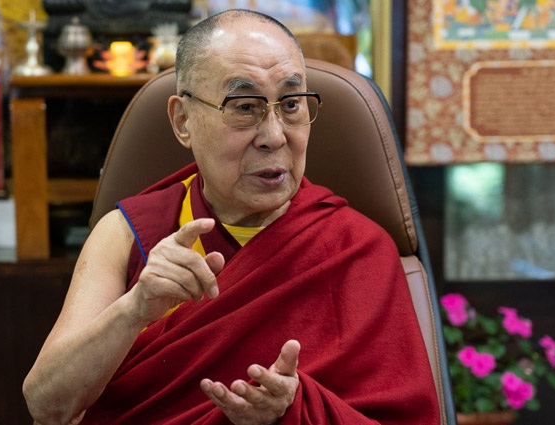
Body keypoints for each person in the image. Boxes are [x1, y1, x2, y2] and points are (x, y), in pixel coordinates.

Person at [23, 9, 440, 425]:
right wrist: (134, 309)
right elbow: (47, 405)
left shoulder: (356, 249)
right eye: (245, 107)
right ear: (183, 122)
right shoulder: (127, 234)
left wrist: (294, 411)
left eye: (291, 105)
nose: (275, 136)